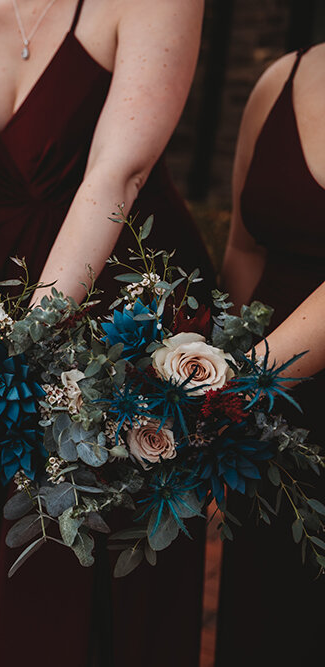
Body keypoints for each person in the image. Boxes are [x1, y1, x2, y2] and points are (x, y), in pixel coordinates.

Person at [0, 0, 213, 665]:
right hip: (3, 308)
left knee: (121, 566)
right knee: (22, 557)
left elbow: (120, 171)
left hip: (127, 316)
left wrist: (28, 344)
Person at [216, 43, 325, 666]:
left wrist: (216, 392)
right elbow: (244, 246)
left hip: (257, 384)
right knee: (263, 622)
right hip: (267, 424)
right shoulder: (279, 80)